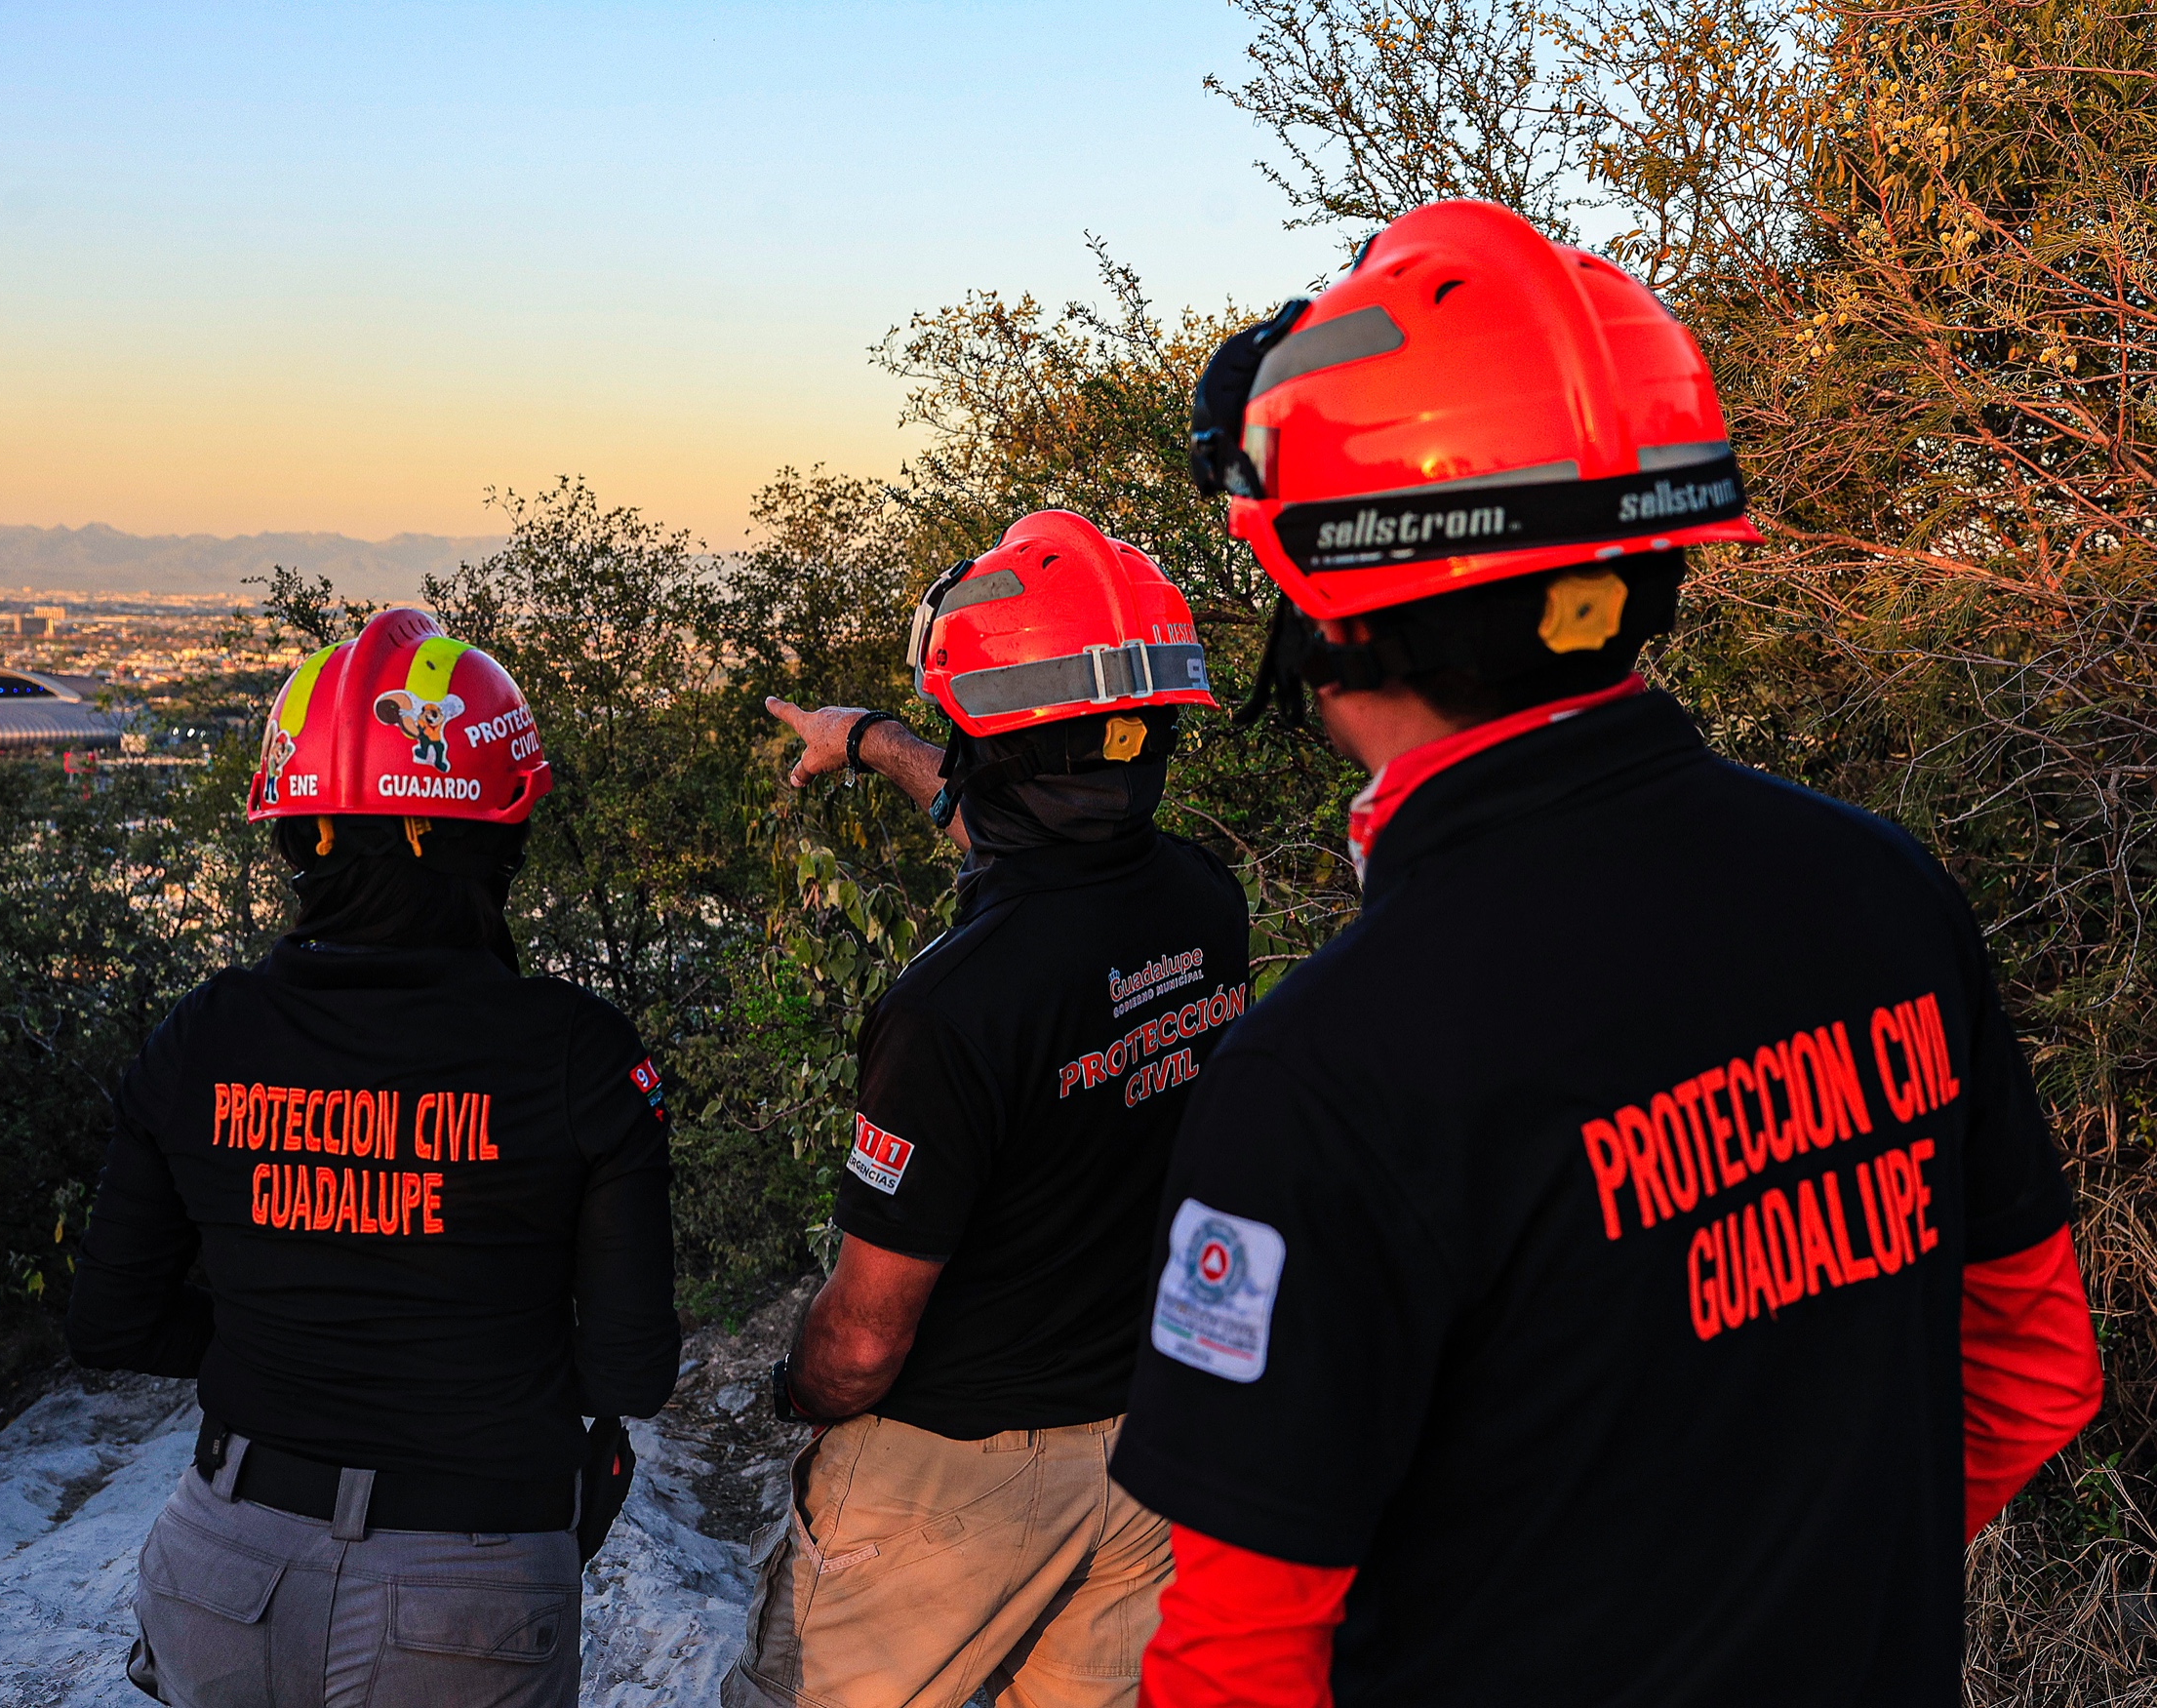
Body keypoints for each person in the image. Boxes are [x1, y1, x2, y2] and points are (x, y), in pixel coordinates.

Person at [1108, 198, 2106, 1707]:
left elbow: (1238, 1655)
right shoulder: (1885, 889)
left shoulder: (1325, 1074)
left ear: (1326, 607)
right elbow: (2035, 1369)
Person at [66, 606, 679, 1708]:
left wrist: (282, 1339)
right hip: (466, 1591)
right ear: (498, 837)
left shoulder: (204, 1035)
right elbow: (631, 1370)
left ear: (297, 835)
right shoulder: (576, 1056)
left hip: (223, 1568)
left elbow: (109, 1320)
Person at [722, 509, 1253, 1708]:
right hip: (1144, 1453)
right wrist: (869, 739)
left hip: (950, 1475)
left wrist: (796, 1391)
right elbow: (1034, 824)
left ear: (990, 741)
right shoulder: (1200, 902)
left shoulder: (949, 1009)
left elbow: (864, 1342)